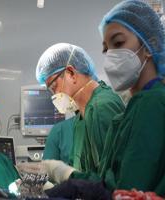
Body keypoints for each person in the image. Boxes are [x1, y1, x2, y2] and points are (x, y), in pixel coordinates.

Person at [44, 0, 165, 196]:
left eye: (119, 43)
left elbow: (124, 190)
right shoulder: (142, 104)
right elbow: (111, 179)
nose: (111, 55)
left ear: (151, 45)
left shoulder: (152, 104)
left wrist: (71, 180)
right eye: (106, 49)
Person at [36, 43, 125, 180]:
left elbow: (112, 181)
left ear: (71, 73)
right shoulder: (81, 117)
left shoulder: (101, 108)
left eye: (54, 86)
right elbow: (80, 169)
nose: (54, 95)